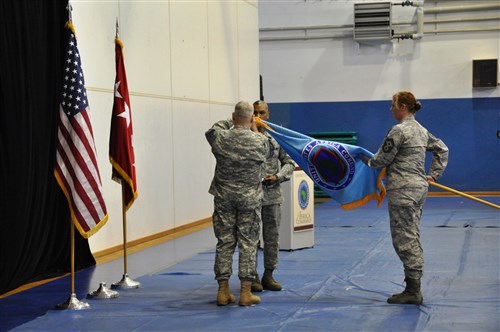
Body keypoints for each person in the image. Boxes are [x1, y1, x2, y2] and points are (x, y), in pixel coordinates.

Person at [362, 91, 449, 305]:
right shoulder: (420, 130)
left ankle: (413, 290)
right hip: (418, 189)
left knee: (404, 239)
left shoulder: (399, 131)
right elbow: (442, 149)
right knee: (412, 234)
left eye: (392, 105)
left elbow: (382, 159)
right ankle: (413, 286)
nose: (390, 109)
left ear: (402, 106)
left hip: (403, 190)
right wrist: (433, 175)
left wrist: (364, 160)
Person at [205, 100, 270, 307]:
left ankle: (223, 291)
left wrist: (233, 120)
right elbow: (268, 152)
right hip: (249, 200)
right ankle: (245, 292)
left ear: (234, 117)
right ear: (252, 118)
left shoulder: (221, 137)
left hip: (224, 198)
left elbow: (212, 130)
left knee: (224, 242)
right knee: (248, 244)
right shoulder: (260, 141)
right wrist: (252, 125)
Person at [251, 100, 295, 292]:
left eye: (262, 113)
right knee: (250, 237)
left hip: (272, 194)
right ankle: (251, 276)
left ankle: (268, 275)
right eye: (255, 113)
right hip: (250, 196)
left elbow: (289, 162)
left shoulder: (276, 138)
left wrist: (278, 176)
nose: (259, 117)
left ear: (268, 114)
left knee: (272, 237)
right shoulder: (245, 139)